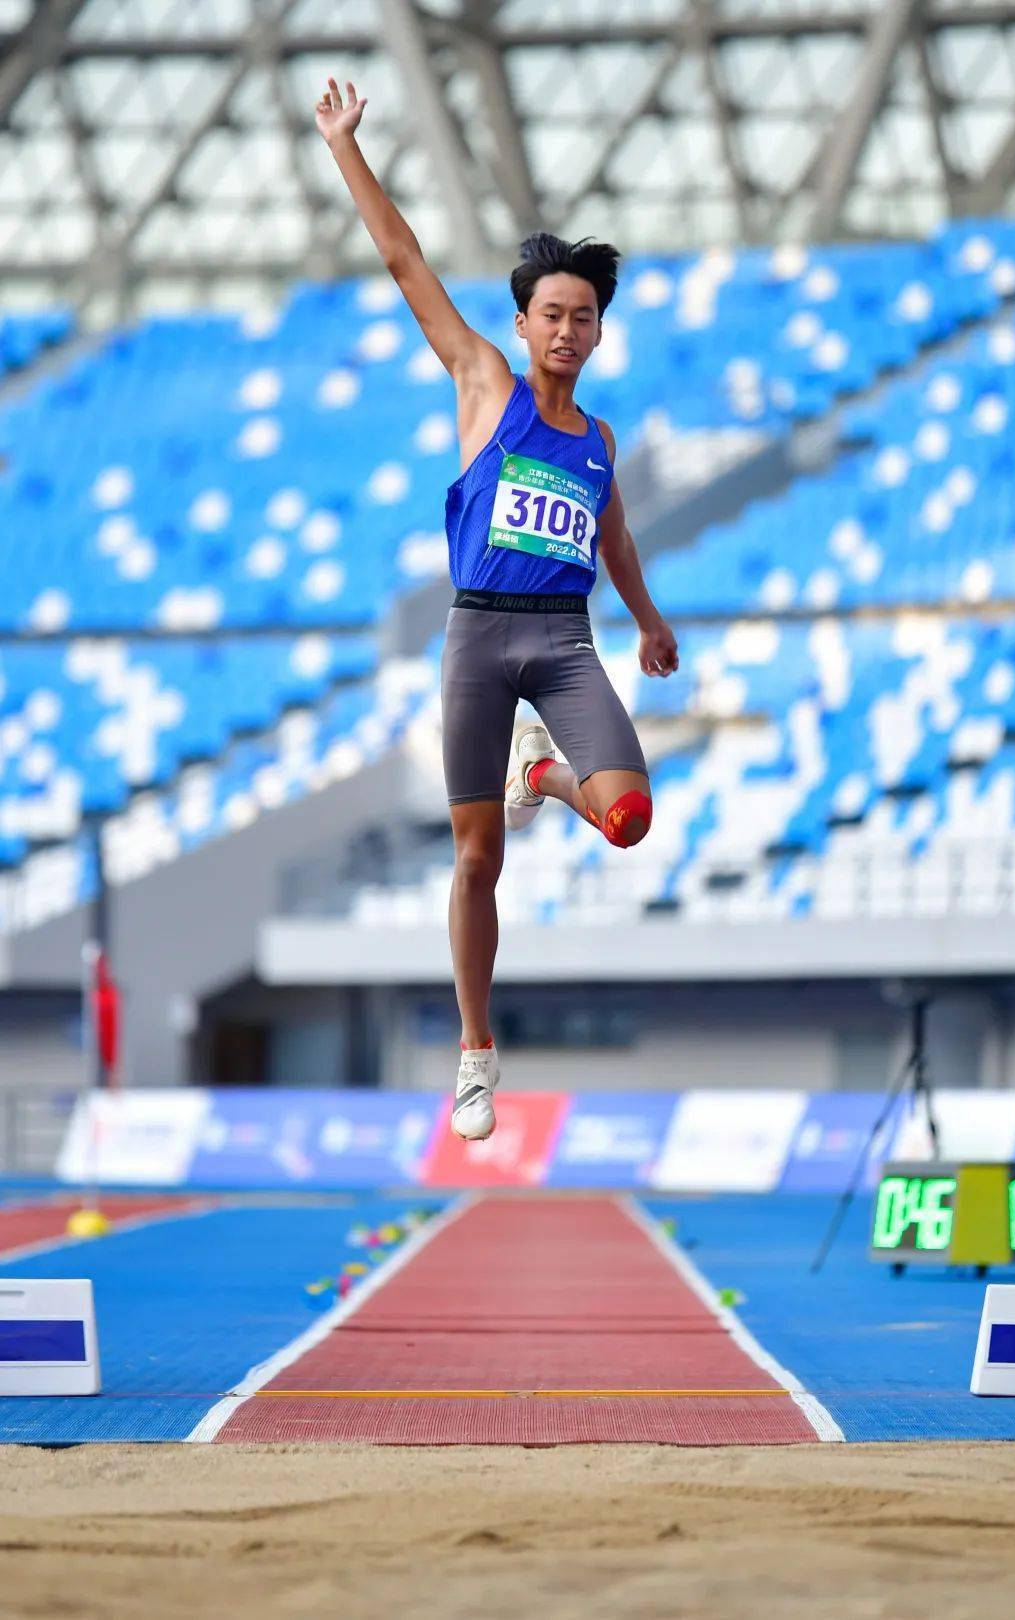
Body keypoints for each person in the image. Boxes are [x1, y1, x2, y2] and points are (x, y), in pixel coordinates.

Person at [317, 78, 678, 1141]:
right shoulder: (483, 382)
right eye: (552, 314)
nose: (567, 330)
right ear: (524, 324)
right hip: (479, 635)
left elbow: (609, 537)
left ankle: (545, 772)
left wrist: (649, 621)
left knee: (628, 816)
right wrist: (345, 147)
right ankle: (477, 1050)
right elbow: (402, 263)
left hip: (564, 643)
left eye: (585, 317)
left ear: (600, 334)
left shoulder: (600, 442)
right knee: (480, 860)